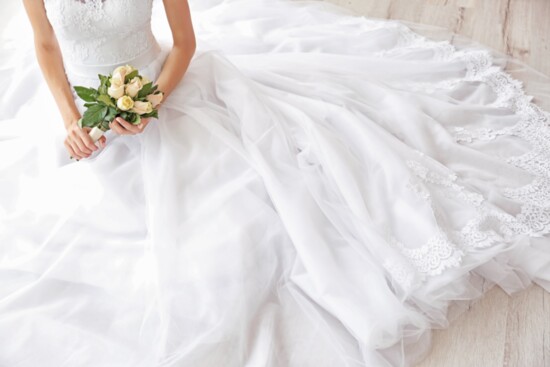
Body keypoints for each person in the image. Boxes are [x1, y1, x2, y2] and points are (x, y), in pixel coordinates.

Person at [0, 0, 549, 366]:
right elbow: (46, 44)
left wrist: (151, 102)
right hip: (78, 102)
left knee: (235, 217)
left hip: (160, 92)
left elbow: (185, 43)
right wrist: (72, 119)